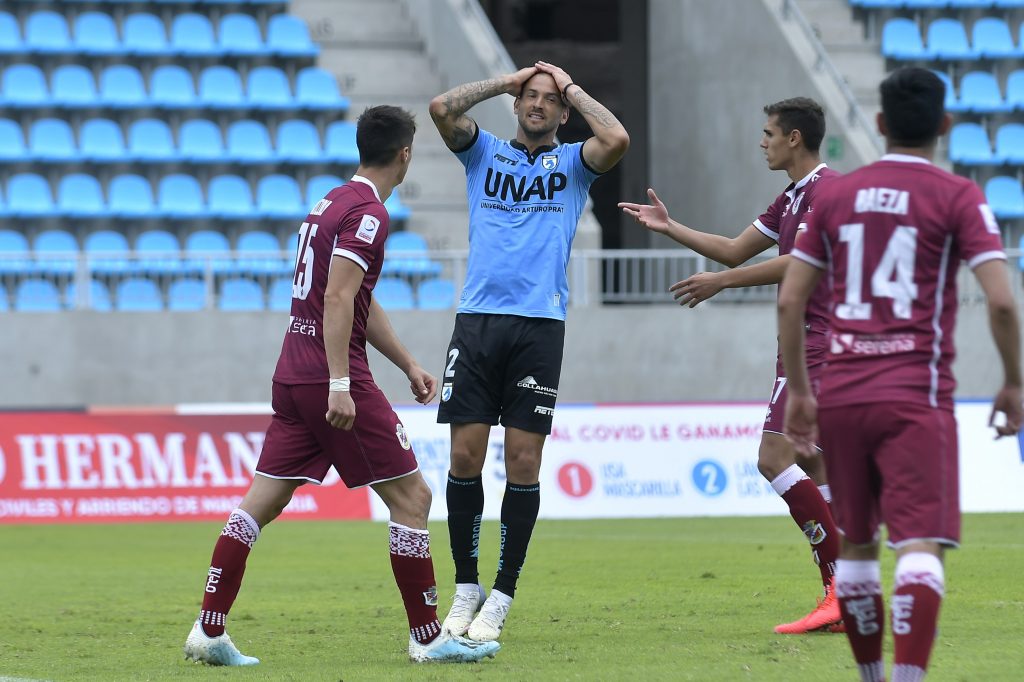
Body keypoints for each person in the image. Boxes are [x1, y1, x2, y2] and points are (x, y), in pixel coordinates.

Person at [182, 105, 500, 665]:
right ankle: (428, 638)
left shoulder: (329, 201)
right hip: (331, 379)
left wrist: (406, 363)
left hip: (291, 374)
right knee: (413, 498)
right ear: (404, 154)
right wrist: (339, 382)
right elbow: (336, 298)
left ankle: (209, 630)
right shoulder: (371, 215)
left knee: (260, 502)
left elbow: (354, 295)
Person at [780, 67, 1022, 681]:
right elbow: (1000, 302)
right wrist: (1015, 381)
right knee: (920, 546)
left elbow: (789, 299)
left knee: (858, 546)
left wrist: (803, 394)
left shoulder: (835, 196)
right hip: (916, 395)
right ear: (944, 125)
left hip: (842, 392)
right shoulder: (958, 196)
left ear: (881, 124)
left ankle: (871, 677)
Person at [618, 97, 843, 634]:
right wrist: (671, 227)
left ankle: (842, 587)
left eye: (768, 133)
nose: (761, 142)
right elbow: (734, 250)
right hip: (803, 342)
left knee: (772, 456)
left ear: (794, 138)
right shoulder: (789, 197)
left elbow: (801, 262)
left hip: (820, 343)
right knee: (814, 466)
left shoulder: (827, 191)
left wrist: (720, 284)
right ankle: (849, 593)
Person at [427, 61, 629, 641]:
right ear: (517, 105)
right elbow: (441, 108)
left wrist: (570, 86)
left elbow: (615, 138)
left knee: (523, 464)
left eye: (548, 100)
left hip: (539, 327)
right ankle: (466, 588)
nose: (538, 104)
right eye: (530, 97)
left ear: (563, 112)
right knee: (464, 458)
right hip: (478, 323)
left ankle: (502, 594)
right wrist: (505, 80)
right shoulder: (483, 153)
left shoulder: (574, 164)